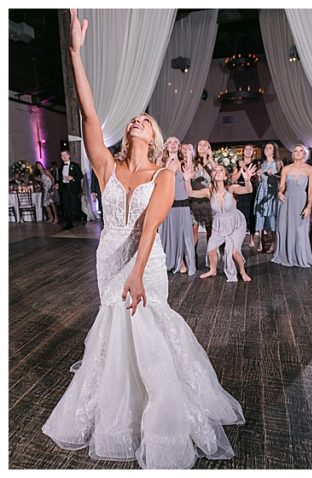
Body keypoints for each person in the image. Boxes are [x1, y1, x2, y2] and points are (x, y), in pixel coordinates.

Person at [43, 10, 244, 469]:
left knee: (147, 325)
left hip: (143, 260)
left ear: (154, 136)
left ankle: (165, 416)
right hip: (108, 253)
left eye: (144, 119)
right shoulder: (106, 168)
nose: (136, 120)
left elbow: (151, 228)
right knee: (115, 328)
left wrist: (136, 273)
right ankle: (121, 409)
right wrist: (75, 54)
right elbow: (90, 111)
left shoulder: (164, 175)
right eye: (134, 118)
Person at [184, 162, 256, 282]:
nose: (217, 172)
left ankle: (242, 272)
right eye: (215, 170)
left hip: (236, 223)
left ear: (226, 176)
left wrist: (247, 180)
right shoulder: (209, 191)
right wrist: (186, 180)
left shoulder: (231, 188)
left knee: (233, 251)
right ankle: (212, 270)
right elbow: (190, 193)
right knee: (211, 250)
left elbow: (248, 190)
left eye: (221, 170)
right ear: (212, 175)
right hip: (219, 224)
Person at [271, 145, 312, 267]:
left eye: (301, 151)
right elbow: (282, 186)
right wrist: (279, 192)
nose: (298, 152)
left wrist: (309, 206)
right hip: (287, 200)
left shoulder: (310, 169)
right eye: (295, 150)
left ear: (305, 154)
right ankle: (284, 255)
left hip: (301, 201)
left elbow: (311, 189)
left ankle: (300, 256)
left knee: (300, 229)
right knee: (283, 227)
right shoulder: (286, 169)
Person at [157, 137, 195, 275]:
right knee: (166, 233)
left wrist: (189, 155)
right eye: (170, 142)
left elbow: (189, 173)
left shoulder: (184, 163)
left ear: (179, 147)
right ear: (166, 146)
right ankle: (165, 261)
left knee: (181, 233)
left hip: (181, 202)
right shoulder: (160, 163)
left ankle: (181, 261)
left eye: (175, 143)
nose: (172, 145)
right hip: (165, 202)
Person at [253, 142, 283, 253]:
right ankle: (261, 242)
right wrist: (258, 175)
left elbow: (282, 178)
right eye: (266, 147)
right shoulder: (262, 163)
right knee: (260, 217)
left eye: (270, 148)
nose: (267, 149)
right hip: (262, 191)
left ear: (274, 150)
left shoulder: (278, 163)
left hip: (273, 192)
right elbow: (259, 181)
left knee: (272, 217)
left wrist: (273, 175)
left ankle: (274, 243)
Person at [189, 140, 215, 258]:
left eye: (205, 145)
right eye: (200, 145)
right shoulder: (192, 163)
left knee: (210, 229)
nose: (202, 147)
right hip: (194, 199)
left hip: (209, 201)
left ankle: (210, 256)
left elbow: (218, 174)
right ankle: (193, 256)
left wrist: (210, 159)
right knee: (194, 229)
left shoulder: (211, 163)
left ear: (209, 148)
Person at [232, 144, 258, 249]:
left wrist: (244, 167)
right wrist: (240, 169)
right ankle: (239, 237)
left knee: (252, 213)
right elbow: (233, 179)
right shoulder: (237, 164)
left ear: (253, 152)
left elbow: (255, 177)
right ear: (243, 152)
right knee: (240, 213)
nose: (247, 151)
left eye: (250, 149)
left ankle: (252, 238)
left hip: (251, 189)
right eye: (246, 149)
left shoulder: (256, 163)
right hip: (240, 189)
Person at [56, 149, 84, 229]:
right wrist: (58, 184)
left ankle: (83, 215)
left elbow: (80, 176)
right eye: (62, 155)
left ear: (69, 156)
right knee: (66, 206)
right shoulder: (60, 167)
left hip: (73, 189)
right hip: (65, 189)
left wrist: (73, 178)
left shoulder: (75, 165)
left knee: (75, 207)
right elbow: (60, 179)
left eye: (65, 155)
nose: (63, 157)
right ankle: (69, 223)